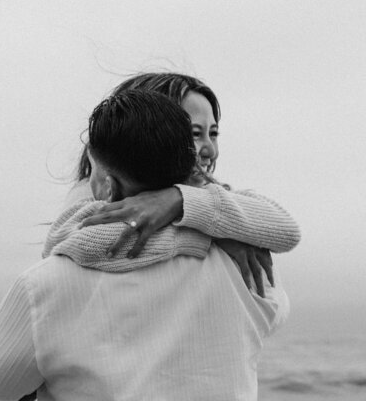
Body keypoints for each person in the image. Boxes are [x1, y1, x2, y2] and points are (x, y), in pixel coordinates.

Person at [0, 90, 289, 401]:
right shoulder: (249, 271)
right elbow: (274, 284)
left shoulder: (46, 287)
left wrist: (57, 371)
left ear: (103, 183)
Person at [59, 73, 300, 296]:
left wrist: (178, 200)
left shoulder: (209, 193)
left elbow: (287, 230)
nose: (211, 150)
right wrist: (212, 238)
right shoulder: (96, 189)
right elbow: (71, 242)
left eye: (213, 133)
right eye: (195, 134)